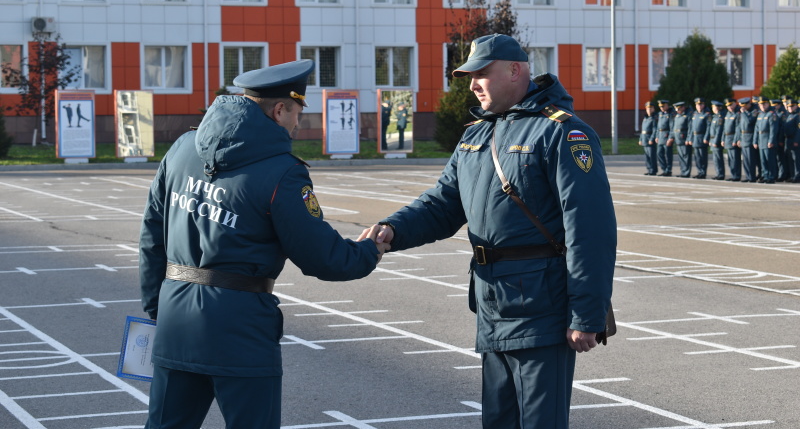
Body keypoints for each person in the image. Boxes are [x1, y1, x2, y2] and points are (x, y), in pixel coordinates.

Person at [358, 34, 616, 429]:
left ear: (516, 71)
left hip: (541, 309)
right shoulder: (477, 134)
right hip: (493, 305)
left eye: (482, 74)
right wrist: (394, 230)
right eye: (470, 76)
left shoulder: (561, 133)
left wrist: (587, 313)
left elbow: (590, 229)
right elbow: (443, 203)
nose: (473, 84)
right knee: (498, 422)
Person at [139, 60, 386, 429]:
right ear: (279, 109)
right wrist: (370, 250)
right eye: (298, 110)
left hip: (176, 318)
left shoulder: (182, 147)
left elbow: (151, 235)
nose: (299, 121)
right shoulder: (282, 171)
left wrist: (157, 306)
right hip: (240, 327)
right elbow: (324, 257)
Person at [754, 96, 779, 184]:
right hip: (761, 140)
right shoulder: (760, 114)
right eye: (761, 104)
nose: (762, 106)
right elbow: (756, 129)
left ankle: (771, 176)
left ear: (768, 104)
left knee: (770, 159)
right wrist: (755, 141)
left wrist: (771, 141)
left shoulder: (771, 114)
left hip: (768, 139)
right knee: (763, 161)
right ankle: (765, 175)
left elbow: (773, 129)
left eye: (764, 104)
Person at [735, 97, 759, 183]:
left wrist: (744, 113)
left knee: (750, 160)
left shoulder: (754, 111)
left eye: (745, 106)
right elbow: (739, 127)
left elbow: (749, 121)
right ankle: (748, 175)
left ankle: (752, 177)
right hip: (743, 138)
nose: (743, 107)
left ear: (749, 104)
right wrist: (738, 139)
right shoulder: (742, 113)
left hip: (750, 138)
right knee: (745, 160)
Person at [688, 97, 711, 179]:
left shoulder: (706, 114)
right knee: (697, 157)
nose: (699, 106)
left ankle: (703, 172)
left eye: (701, 104)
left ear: (704, 105)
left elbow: (708, 127)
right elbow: (691, 128)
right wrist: (690, 138)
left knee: (702, 156)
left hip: (702, 137)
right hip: (695, 138)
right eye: (698, 105)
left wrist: (706, 137)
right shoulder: (694, 114)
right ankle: (699, 171)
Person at [721, 97, 741, 181]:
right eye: (728, 106)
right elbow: (724, 128)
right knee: (730, 159)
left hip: (733, 138)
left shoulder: (737, 113)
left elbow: (738, 128)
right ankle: (733, 174)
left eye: (731, 105)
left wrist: (735, 140)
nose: (730, 107)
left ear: (735, 104)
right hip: (727, 138)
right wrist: (722, 139)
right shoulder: (728, 114)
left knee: (735, 159)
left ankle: (736, 175)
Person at [671, 101, 692, 178]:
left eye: (679, 109)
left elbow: (690, 128)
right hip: (678, 139)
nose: (677, 110)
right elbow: (674, 128)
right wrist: (672, 137)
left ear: (683, 108)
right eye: (676, 109)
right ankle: (683, 171)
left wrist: (688, 138)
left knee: (686, 156)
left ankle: (686, 172)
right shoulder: (677, 116)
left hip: (684, 138)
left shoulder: (687, 116)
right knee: (681, 157)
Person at [655, 100, 674, 176]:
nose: (661, 108)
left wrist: (671, 137)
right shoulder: (660, 114)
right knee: (659, 153)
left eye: (663, 106)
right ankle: (664, 168)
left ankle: (668, 170)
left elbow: (672, 127)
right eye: (660, 106)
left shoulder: (670, 114)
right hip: (660, 135)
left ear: (667, 106)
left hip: (667, 135)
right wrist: (657, 136)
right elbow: (658, 127)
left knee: (668, 154)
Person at [708, 100, 727, 180]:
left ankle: (721, 174)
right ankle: (718, 173)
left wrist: (715, 141)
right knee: (715, 159)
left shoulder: (720, 117)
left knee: (718, 158)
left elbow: (719, 131)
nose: (713, 108)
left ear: (718, 108)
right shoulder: (715, 116)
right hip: (713, 139)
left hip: (716, 141)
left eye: (714, 107)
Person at [783, 97, 800, 182]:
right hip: (788, 140)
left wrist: (796, 140)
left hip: (794, 140)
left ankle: (797, 176)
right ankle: (792, 175)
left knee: (796, 159)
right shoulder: (788, 116)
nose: (790, 108)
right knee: (790, 159)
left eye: (792, 106)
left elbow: (798, 130)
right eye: (789, 106)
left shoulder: (797, 116)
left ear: (796, 106)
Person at [640, 101, 657, 175]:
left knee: (651, 156)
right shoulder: (645, 118)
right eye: (647, 109)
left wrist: (652, 139)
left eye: (651, 108)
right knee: (647, 156)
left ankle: (653, 170)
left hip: (650, 138)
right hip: (644, 138)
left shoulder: (654, 118)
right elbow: (642, 130)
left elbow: (655, 130)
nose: (649, 110)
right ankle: (649, 169)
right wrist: (640, 139)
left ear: (653, 109)